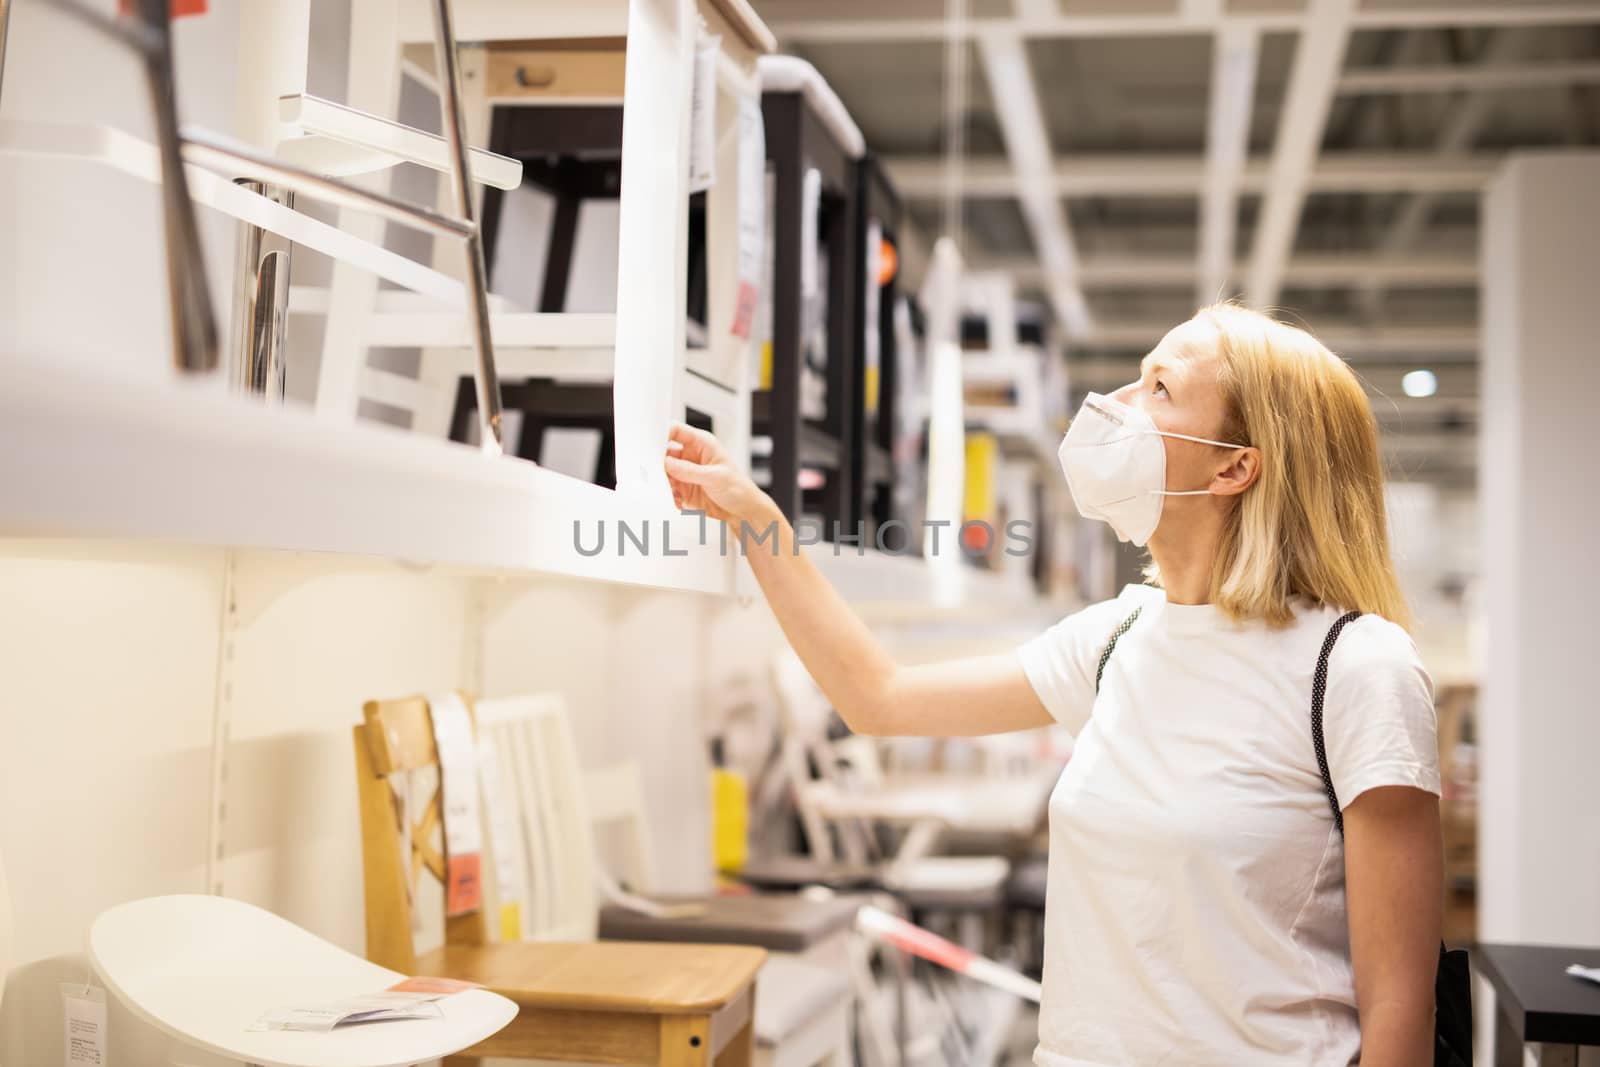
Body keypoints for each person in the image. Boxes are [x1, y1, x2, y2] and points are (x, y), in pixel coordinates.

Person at [663, 302, 1442, 1067]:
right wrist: (753, 515)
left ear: (1235, 464)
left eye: (1159, 388)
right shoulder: (1117, 638)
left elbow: (1399, 1005)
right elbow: (878, 697)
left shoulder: (1358, 669)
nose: (1114, 407)